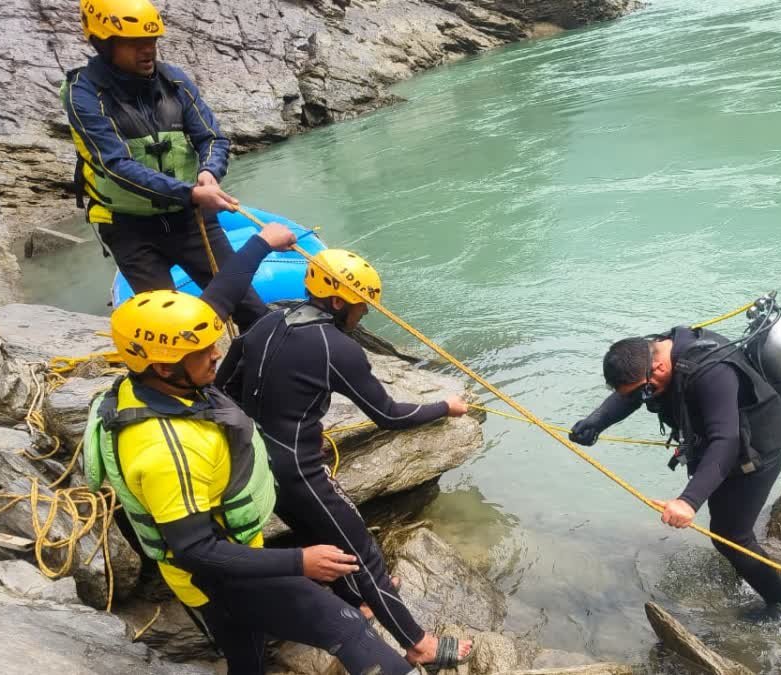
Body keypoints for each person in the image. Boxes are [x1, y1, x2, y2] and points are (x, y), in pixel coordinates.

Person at [84, 225, 416, 675]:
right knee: (348, 629)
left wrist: (262, 243)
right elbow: (195, 551)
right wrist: (301, 560)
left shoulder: (167, 379)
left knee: (247, 651)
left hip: (235, 558)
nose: (217, 355)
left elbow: (223, 292)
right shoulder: (163, 450)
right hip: (218, 578)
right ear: (164, 364)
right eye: (204, 353)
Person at [216, 249, 474, 671]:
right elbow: (389, 415)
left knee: (318, 532)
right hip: (296, 469)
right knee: (362, 552)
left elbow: (224, 387)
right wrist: (444, 406)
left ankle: (358, 600)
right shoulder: (338, 348)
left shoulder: (265, 321)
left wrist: (275, 425)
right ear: (338, 301)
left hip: (253, 457)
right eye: (360, 306)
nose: (363, 315)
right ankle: (419, 645)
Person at [60, 0, 268, 330]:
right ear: (104, 42)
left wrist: (208, 174)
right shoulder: (83, 94)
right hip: (131, 229)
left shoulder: (175, 82)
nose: (148, 51)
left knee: (251, 310)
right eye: (135, 43)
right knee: (166, 326)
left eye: (153, 40)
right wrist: (191, 194)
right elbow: (116, 165)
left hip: (190, 220)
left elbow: (212, 138)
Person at [568, 324, 781, 611]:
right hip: (722, 441)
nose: (645, 397)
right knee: (725, 522)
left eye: (646, 391)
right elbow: (633, 392)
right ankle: (749, 572)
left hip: (760, 447)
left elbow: (726, 440)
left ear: (660, 367)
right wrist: (596, 422)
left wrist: (688, 502)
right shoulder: (653, 355)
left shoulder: (711, 373)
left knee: (730, 535)